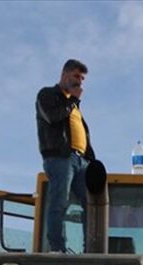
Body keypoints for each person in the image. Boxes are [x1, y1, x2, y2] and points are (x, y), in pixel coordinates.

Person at [36, 59, 95, 253]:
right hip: (60, 158)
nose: (80, 82)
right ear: (65, 75)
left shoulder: (74, 106)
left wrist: (92, 161)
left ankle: (91, 249)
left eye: (83, 78)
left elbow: (82, 135)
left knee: (92, 202)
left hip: (81, 160)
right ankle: (57, 248)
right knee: (59, 201)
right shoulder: (47, 95)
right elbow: (52, 117)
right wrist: (73, 100)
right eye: (77, 76)